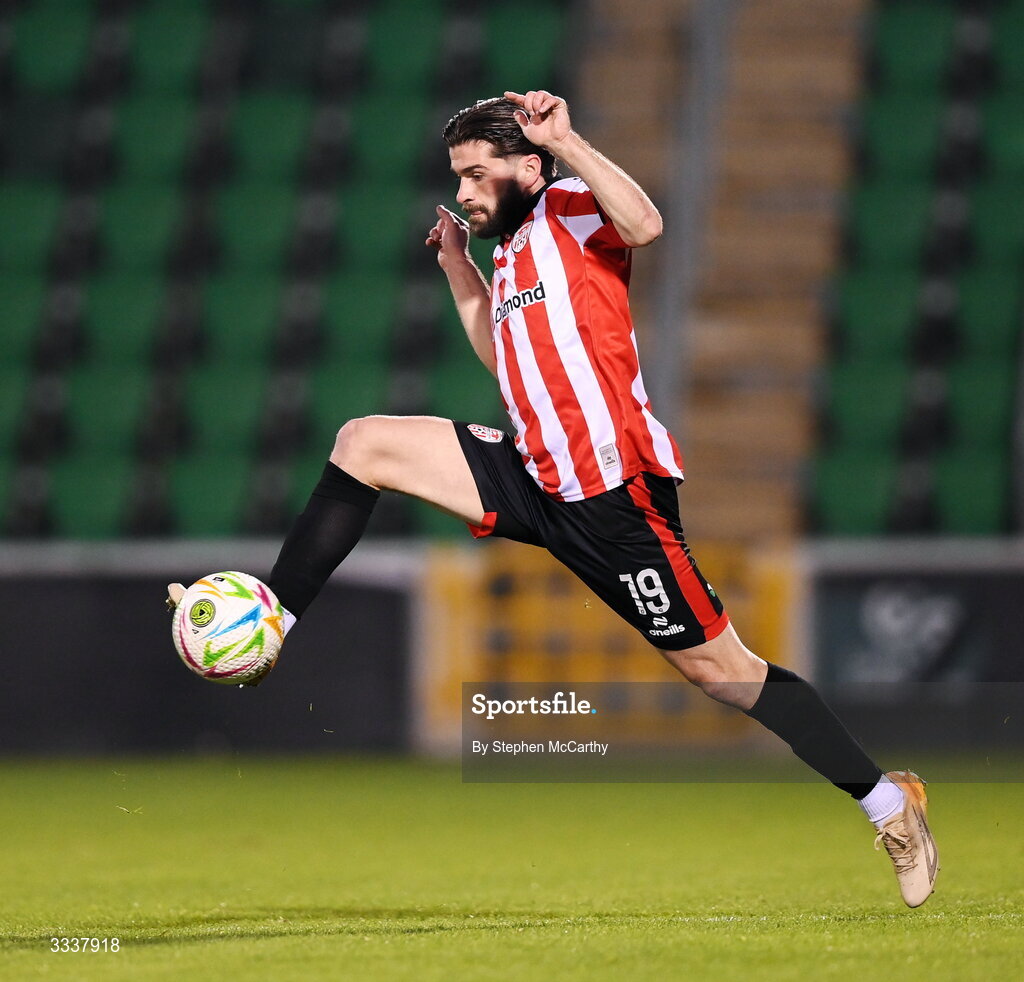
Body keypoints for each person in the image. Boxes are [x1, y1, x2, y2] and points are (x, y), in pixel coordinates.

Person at [169, 90, 937, 906]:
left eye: (475, 174)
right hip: (535, 475)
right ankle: (274, 620)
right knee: (364, 443)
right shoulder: (511, 257)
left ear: (528, 167)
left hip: (614, 498)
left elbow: (645, 225)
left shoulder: (572, 207)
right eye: (457, 176)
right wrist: (462, 271)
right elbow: (507, 366)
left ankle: (890, 804)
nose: (462, 191)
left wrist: (568, 142)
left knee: (723, 673)